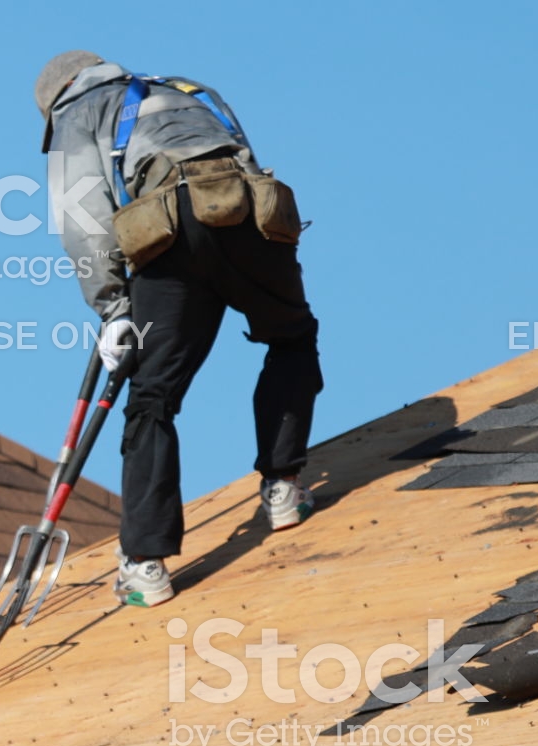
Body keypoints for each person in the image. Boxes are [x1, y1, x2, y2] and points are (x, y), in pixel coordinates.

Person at [37, 51, 323, 608]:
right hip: (242, 215)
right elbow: (246, 163)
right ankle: (283, 487)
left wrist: (113, 307)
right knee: (290, 336)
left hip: (169, 234)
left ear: (57, 98)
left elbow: (83, 220)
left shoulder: (78, 114)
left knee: (152, 396)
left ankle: (145, 564)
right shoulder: (189, 90)